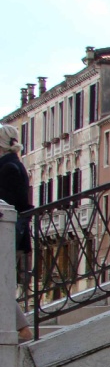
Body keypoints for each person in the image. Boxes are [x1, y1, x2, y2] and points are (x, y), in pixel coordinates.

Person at [0, 125, 32, 342]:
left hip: (9, 233)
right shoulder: (13, 165)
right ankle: (21, 327)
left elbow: (9, 205)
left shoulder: (9, 168)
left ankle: (22, 328)